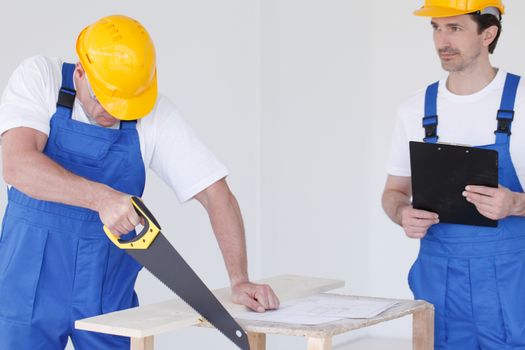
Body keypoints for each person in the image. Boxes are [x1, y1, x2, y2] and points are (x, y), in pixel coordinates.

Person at [0, 14, 279, 350]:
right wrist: (102, 199)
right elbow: (17, 166)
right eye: (105, 100)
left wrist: (239, 279)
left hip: (106, 290)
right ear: (80, 73)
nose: (113, 114)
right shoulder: (40, 78)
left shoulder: (154, 115)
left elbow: (216, 194)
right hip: (27, 286)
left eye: (125, 105)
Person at [382, 1, 525, 348]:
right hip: (440, 281)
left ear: (488, 34)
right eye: (436, 28)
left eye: (455, 28)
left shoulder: (522, 101)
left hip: (513, 280)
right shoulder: (414, 110)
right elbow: (393, 192)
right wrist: (402, 213)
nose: (441, 40)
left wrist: (516, 204)